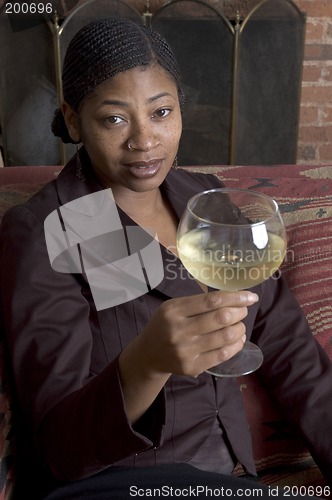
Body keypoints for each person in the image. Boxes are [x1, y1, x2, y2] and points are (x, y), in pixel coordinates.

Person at [0, 17, 331, 499]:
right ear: (73, 120)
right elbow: (60, 447)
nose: (144, 141)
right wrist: (145, 363)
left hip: (232, 481)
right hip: (123, 482)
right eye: (114, 118)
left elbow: (289, 348)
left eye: (160, 112)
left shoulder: (206, 199)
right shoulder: (53, 227)